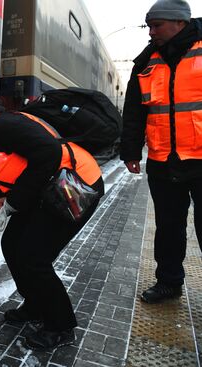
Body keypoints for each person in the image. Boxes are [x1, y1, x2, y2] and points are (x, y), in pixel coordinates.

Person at [0, 102, 103, 349]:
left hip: (75, 187)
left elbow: (48, 153)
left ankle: (61, 327)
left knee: (33, 258)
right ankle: (36, 305)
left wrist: (14, 202)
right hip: (48, 190)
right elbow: (17, 168)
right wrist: (3, 199)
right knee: (13, 244)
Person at [120, 0, 202, 304]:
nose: (151, 31)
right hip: (162, 161)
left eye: (157, 25)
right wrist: (130, 150)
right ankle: (169, 283)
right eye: (149, 25)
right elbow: (134, 111)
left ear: (179, 23)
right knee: (168, 228)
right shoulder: (146, 62)